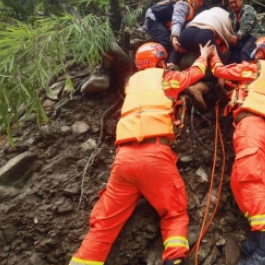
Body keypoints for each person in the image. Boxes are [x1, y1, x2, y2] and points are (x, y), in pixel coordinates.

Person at [69, 41, 215, 265]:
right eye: (163, 60)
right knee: (174, 213)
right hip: (154, 155)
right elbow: (194, 73)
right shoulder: (167, 79)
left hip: (123, 161)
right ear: (159, 60)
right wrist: (204, 55)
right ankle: (174, 260)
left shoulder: (131, 83)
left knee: (104, 225)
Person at [210, 37, 265, 265]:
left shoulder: (255, 67)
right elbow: (243, 87)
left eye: (256, 50)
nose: (253, 53)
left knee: (251, 181)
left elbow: (220, 69)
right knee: (238, 183)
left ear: (261, 53)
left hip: (252, 126)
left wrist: (211, 54)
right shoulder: (263, 74)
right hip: (251, 128)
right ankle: (259, 237)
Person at [171, 7, 235, 111]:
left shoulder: (205, 11)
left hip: (187, 32)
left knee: (177, 49)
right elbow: (229, 37)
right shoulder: (227, 16)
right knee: (221, 62)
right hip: (205, 35)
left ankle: (172, 69)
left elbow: (178, 47)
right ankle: (219, 85)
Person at [143, 0, 211, 56]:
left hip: (163, 20)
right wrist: (174, 36)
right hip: (153, 17)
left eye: (203, 2)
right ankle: (156, 60)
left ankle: (170, 62)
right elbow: (178, 19)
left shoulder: (191, 6)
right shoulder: (184, 4)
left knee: (174, 42)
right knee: (165, 42)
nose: (200, 4)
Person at [227, 0, 265, 64]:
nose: (233, 5)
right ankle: (235, 73)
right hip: (244, 38)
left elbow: (245, 28)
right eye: (231, 3)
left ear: (241, 0)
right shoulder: (232, 15)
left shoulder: (248, 9)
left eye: (235, 2)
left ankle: (247, 72)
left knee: (245, 52)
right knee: (233, 57)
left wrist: (236, 37)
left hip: (256, 36)